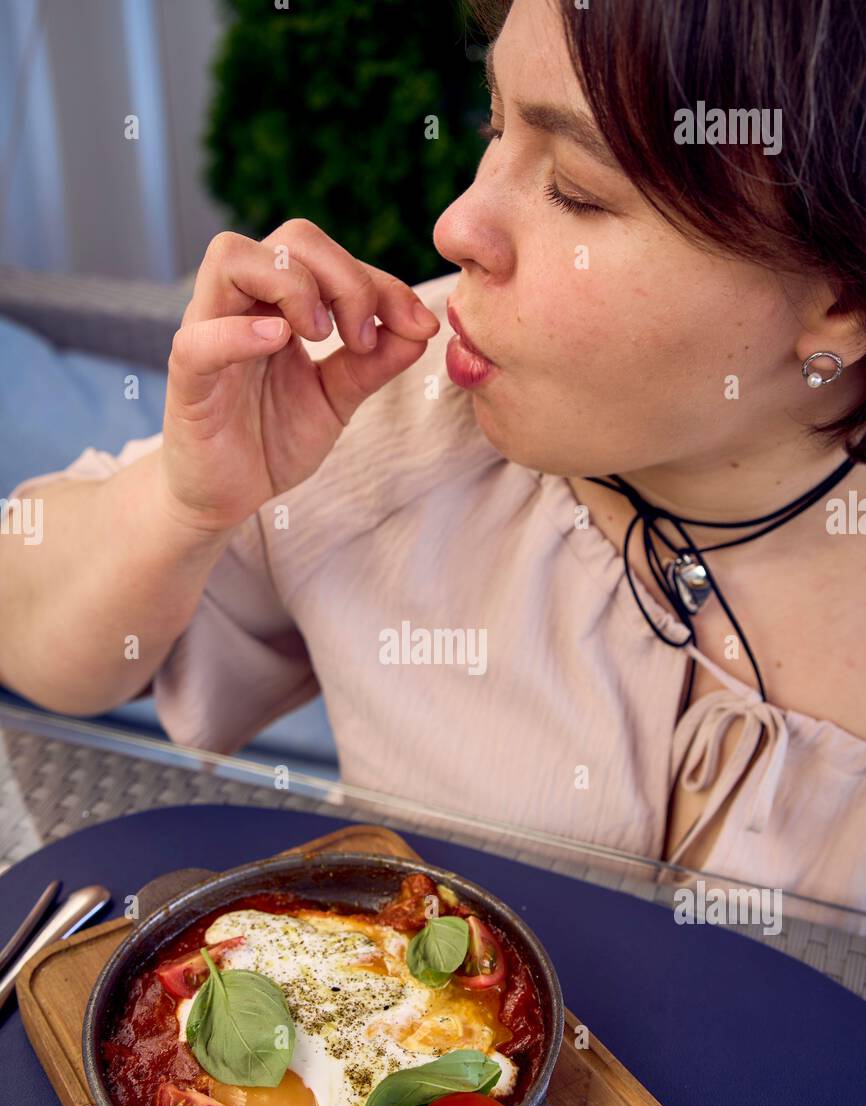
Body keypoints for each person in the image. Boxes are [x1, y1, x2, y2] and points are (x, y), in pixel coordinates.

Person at [2, 0, 866, 911]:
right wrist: (186, 499)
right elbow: (33, 641)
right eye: (494, 125)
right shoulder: (395, 407)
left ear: (840, 302)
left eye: (575, 187)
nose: (454, 228)